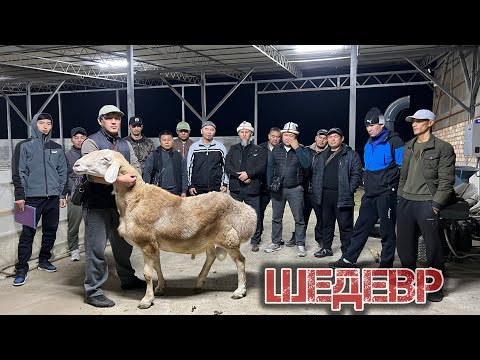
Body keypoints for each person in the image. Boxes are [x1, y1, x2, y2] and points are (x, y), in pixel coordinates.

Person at [81, 105, 146, 308]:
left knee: (123, 245)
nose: (114, 121)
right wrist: (120, 179)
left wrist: (131, 177)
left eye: (117, 118)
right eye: (109, 118)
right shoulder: (91, 143)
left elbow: (135, 167)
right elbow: (91, 174)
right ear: (100, 121)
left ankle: (127, 279)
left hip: (120, 205)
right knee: (96, 247)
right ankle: (93, 290)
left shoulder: (125, 144)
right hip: (96, 204)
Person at [329, 108, 404, 269]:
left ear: (382, 124)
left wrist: (394, 188)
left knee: (387, 231)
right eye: (367, 126)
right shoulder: (369, 143)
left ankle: (386, 264)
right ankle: (348, 259)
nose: (369, 128)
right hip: (370, 194)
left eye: (373, 125)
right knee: (360, 227)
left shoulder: (395, 141)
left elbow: (402, 168)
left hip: (386, 194)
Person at [396, 109, 455, 302]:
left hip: (427, 203)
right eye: (413, 121)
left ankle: (435, 286)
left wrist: (435, 205)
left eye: (419, 121)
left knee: (433, 248)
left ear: (430, 123)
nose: (414, 124)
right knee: (405, 248)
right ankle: (407, 283)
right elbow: (403, 176)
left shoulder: (443, 148)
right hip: (406, 202)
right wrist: (400, 197)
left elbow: (446, 182)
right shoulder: (409, 146)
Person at [11, 113, 68, 286]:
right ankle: (21, 268)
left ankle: (44, 260)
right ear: (35, 125)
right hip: (30, 199)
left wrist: (61, 194)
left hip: (52, 198)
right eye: (41, 123)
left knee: (51, 230)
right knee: (27, 233)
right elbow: (18, 172)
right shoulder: (24, 146)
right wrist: (20, 196)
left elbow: (62, 172)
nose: (45, 126)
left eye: (48, 123)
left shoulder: (56, 147)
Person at [311, 127, 363, 259]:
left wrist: (349, 190)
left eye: (336, 136)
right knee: (326, 224)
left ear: (342, 139)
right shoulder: (322, 155)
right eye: (330, 137)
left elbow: (357, 174)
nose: (332, 139)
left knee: (345, 226)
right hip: (325, 195)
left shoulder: (351, 155)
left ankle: (347, 252)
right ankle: (326, 248)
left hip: (342, 196)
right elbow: (316, 174)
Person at [264, 122, 312, 257]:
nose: (287, 137)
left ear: (296, 137)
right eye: (285, 135)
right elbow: (270, 167)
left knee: (299, 218)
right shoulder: (276, 150)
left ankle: (300, 243)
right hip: (278, 189)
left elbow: (307, 164)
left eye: (291, 135)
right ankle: (276, 242)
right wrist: (270, 184)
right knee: (276, 218)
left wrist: (297, 148)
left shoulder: (302, 149)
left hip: (295, 189)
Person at [225, 121, 267, 252]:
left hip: (252, 188)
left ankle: (255, 240)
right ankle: (235, 238)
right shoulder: (233, 149)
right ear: (239, 134)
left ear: (251, 134)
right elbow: (228, 165)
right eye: (242, 132)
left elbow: (261, 167)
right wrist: (239, 176)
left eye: (247, 132)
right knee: (234, 215)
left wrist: (249, 174)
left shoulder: (259, 150)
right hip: (236, 188)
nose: (244, 134)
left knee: (254, 215)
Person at [286, 128, 329, 249]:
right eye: (320, 137)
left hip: (319, 191)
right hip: (305, 190)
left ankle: (320, 238)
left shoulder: (328, 154)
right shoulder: (306, 150)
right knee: (301, 216)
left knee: (321, 217)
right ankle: (297, 237)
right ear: (315, 138)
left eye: (325, 138)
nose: (322, 140)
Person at [187, 120, 228, 195]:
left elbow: (226, 166)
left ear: (214, 132)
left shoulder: (220, 147)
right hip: (197, 188)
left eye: (212, 130)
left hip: (216, 187)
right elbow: (189, 167)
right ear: (201, 131)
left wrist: (225, 184)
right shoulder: (194, 147)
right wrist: (190, 185)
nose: (209, 132)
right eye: (206, 129)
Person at [65, 126, 88, 261]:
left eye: (82, 137)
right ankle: (73, 249)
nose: (79, 140)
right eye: (76, 138)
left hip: (90, 194)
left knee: (91, 224)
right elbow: (64, 175)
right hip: (75, 195)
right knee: (74, 223)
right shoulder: (67, 155)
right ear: (72, 140)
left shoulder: (91, 153)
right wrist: (66, 192)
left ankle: (90, 248)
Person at [143, 130, 188, 197]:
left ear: (173, 141)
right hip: (158, 191)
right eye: (164, 140)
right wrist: (147, 190)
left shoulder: (178, 156)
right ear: (160, 141)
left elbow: (184, 174)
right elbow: (147, 173)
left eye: (169, 140)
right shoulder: (154, 155)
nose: (167, 142)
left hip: (175, 192)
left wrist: (184, 191)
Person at [258, 127, 282, 244]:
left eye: (278, 137)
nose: (275, 139)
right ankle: (258, 235)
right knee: (260, 211)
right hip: (263, 186)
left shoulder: (283, 149)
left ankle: (278, 237)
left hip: (278, 186)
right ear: (269, 136)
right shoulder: (260, 148)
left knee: (278, 213)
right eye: (273, 136)